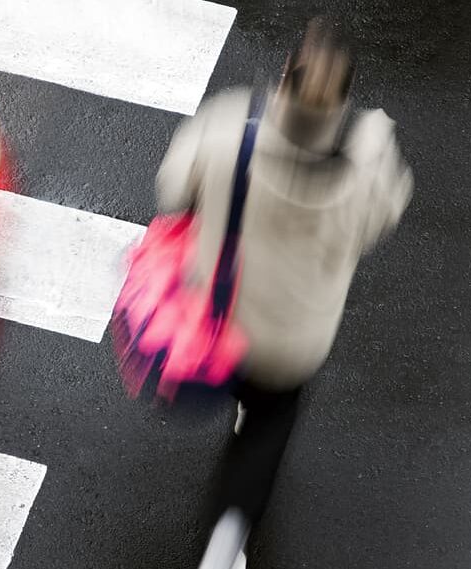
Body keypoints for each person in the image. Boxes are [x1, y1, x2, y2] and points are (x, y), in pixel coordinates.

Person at [154, 17, 414, 568]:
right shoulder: (366, 166)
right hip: (295, 342)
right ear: (343, 104)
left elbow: (172, 189)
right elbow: (377, 226)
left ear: (282, 79)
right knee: (267, 431)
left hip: (218, 319)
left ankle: (239, 399)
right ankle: (226, 541)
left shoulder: (230, 130)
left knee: (241, 382)